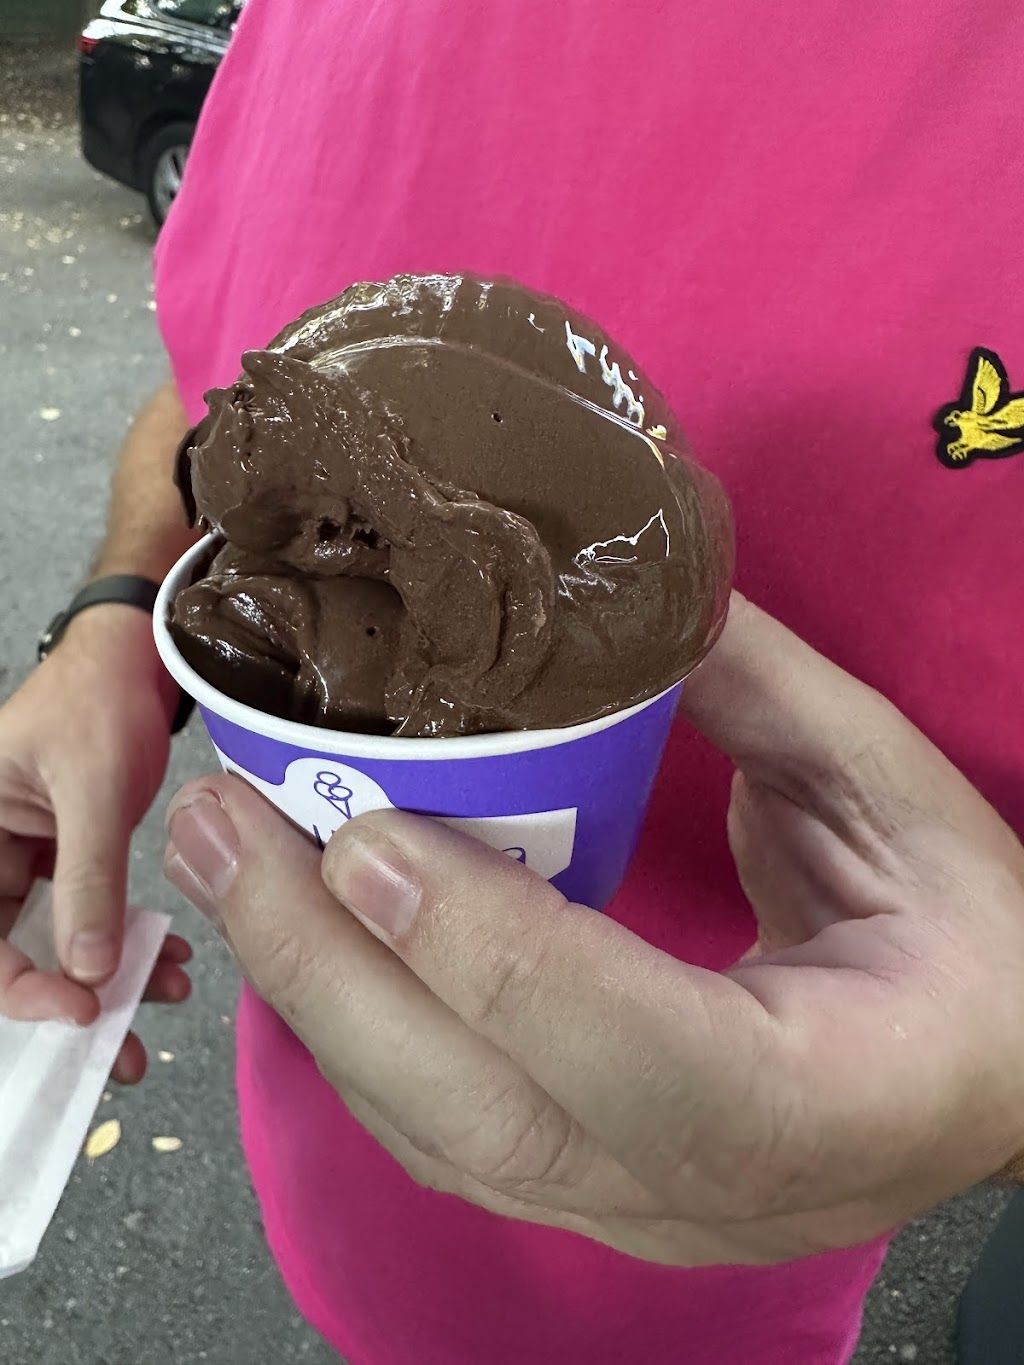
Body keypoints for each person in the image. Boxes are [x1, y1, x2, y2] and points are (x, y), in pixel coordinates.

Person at [2, 1, 1023, 1360]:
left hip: (705, 1312)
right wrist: (118, 613)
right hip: (323, 1216)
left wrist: (1005, 1096)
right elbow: (209, 392)